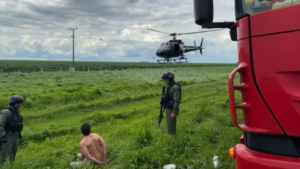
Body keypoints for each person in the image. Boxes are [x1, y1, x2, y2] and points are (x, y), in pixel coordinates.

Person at [0, 95, 24, 163]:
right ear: (13, 103)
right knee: (3, 155)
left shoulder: (16, 112)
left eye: (20, 103)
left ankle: (11, 166)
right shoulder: (6, 112)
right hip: (7, 136)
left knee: (13, 154)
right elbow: (0, 125)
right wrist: (2, 136)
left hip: (15, 135)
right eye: (18, 103)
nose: (19, 105)